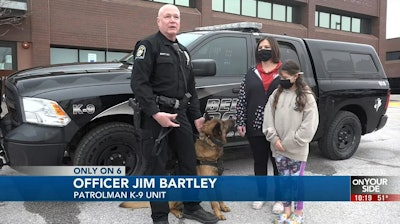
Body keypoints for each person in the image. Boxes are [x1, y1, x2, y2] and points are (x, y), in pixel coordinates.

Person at [131, 4, 219, 224]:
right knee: (157, 168)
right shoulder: (148, 46)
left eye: (176, 17)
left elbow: (190, 88)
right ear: (158, 21)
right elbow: (139, 84)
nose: (172, 20)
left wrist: (196, 116)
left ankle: (192, 207)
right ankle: (160, 217)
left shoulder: (183, 51)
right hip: (156, 117)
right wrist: (155, 113)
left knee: (188, 162)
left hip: (180, 115)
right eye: (167, 16)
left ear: (180, 22)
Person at [262, 60, 319, 224]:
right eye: (280, 76)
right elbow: (268, 119)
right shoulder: (276, 94)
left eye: (285, 77)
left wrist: (290, 142)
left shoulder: (306, 96)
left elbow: (309, 124)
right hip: (278, 148)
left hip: (296, 150)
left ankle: (298, 212)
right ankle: (287, 211)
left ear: (295, 77)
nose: (281, 79)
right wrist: (274, 138)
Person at [235, 37, 282, 211]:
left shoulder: (284, 72)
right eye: (261, 47)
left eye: (267, 47)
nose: (263, 49)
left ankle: (279, 199)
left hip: (278, 127)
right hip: (255, 125)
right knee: (259, 162)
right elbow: (242, 99)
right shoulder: (251, 72)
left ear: (274, 49)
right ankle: (261, 195)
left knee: (278, 163)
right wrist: (240, 120)